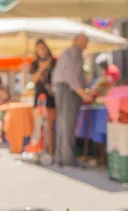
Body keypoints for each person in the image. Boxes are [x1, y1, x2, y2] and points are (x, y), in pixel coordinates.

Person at [52, 34, 93, 167]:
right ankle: (68, 159)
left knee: (63, 125)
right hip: (67, 90)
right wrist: (82, 93)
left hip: (62, 89)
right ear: (76, 41)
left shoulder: (69, 52)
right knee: (67, 125)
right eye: (84, 41)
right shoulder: (74, 52)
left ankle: (60, 158)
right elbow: (72, 76)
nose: (86, 44)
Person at [30, 38, 57, 156]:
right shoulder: (35, 63)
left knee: (50, 126)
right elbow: (34, 80)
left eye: (43, 48)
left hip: (51, 97)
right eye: (39, 49)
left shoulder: (54, 62)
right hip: (39, 95)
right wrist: (41, 68)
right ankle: (38, 151)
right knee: (37, 125)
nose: (42, 51)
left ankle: (51, 152)